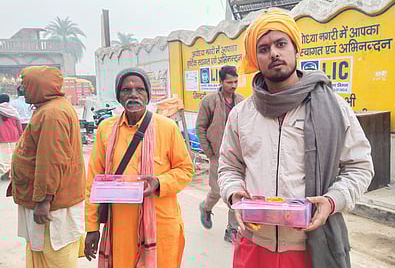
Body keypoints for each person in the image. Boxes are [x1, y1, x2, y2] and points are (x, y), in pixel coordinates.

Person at [218, 10, 374, 268]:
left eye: (281, 44)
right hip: (253, 245)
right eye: (264, 48)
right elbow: (229, 166)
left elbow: (359, 166)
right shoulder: (242, 114)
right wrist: (235, 194)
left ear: (295, 48)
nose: (274, 54)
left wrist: (333, 200)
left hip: (311, 248)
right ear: (256, 58)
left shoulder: (333, 107)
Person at [84, 68, 194, 267]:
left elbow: (185, 170)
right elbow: (93, 181)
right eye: (126, 90)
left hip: (160, 225)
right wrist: (92, 227)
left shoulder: (167, 127)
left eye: (140, 89)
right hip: (120, 227)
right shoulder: (106, 129)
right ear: (119, 96)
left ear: (147, 95)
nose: (133, 94)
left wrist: (159, 183)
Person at [9, 66, 86, 267]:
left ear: (39, 86)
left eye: (25, 84)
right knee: (42, 251)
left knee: (54, 254)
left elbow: (51, 161)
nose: (21, 89)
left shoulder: (52, 113)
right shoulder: (50, 108)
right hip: (49, 199)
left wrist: (44, 200)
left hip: (52, 205)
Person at [196, 65, 245, 242]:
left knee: (235, 192)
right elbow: (200, 127)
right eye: (229, 82)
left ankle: (232, 229)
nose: (233, 85)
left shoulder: (242, 101)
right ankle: (205, 207)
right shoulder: (209, 101)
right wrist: (209, 152)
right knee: (217, 190)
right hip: (217, 154)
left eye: (236, 81)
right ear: (221, 82)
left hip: (238, 155)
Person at [0, 94, 22, 180]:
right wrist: (21, 134)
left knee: (2, 156)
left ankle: (4, 172)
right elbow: (18, 124)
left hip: (2, 136)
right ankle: (10, 173)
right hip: (14, 135)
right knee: (12, 155)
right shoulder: (13, 110)